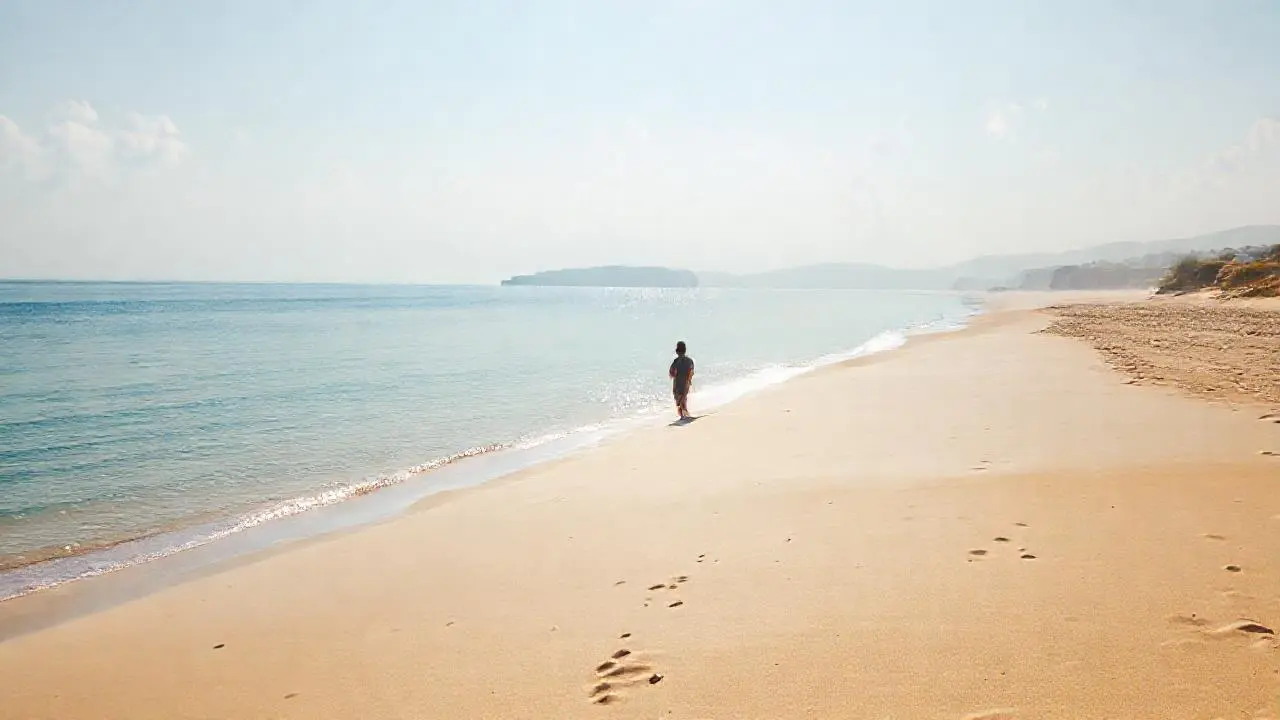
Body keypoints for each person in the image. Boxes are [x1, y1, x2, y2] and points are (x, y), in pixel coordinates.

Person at [668, 341, 695, 419]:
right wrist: (689, 380)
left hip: (678, 383)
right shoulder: (689, 360)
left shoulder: (676, 361)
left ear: (677, 351)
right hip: (686, 382)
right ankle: (685, 414)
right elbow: (691, 371)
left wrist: (673, 374)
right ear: (685, 350)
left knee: (679, 400)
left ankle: (683, 415)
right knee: (684, 398)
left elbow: (671, 373)